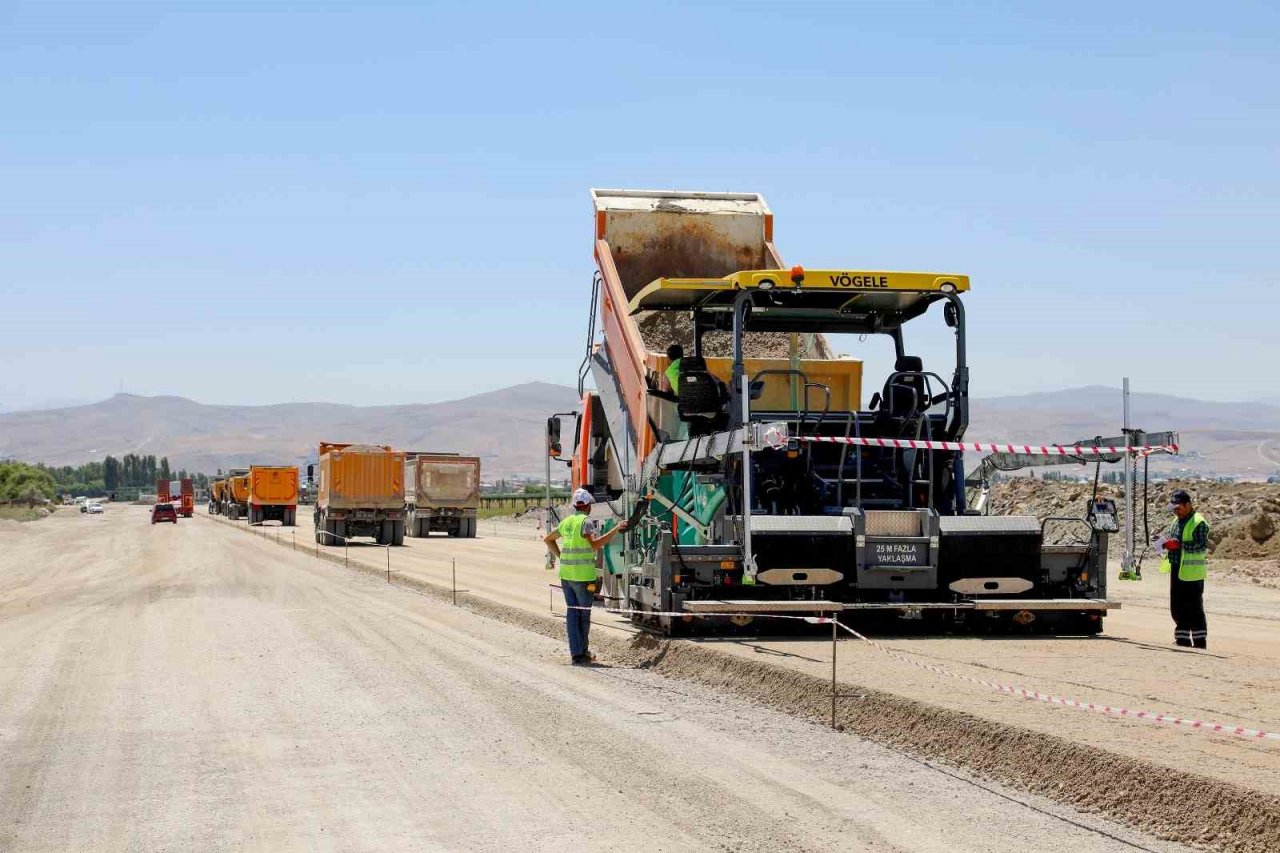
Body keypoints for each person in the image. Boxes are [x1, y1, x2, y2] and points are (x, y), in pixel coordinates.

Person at [543, 488, 628, 665]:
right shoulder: (586, 522)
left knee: (572, 613)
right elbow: (595, 545)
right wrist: (615, 530)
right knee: (583, 615)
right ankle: (582, 653)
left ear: (575, 505)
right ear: (589, 505)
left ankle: (576, 653)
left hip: (567, 576)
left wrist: (561, 557)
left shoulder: (567, 522)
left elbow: (548, 539)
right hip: (583, 578)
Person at [1158, 489, 1210, 649]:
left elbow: (1201, 545)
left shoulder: (1199, 522)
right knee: (1178, 607)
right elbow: (1172, 538)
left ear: (1188, 505)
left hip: (1192, 573)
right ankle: (1182, 639)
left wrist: (1179, 545)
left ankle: (1199, 641)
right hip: (1177, 569)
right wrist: (1165, 543)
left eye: (1178, 508)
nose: (1176, 512)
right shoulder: (1176, 521)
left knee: (1194, 608)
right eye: (1174, 509)